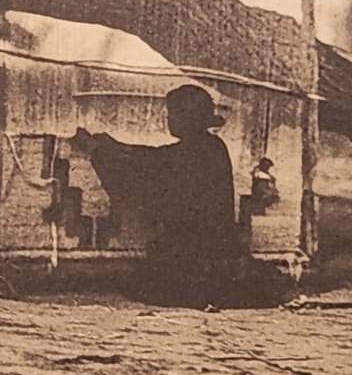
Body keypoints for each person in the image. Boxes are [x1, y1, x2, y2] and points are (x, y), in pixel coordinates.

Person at [70, 85, 242, 309]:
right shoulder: (210, 146)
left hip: (200, 251)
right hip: (205, 249)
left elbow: (152, 161)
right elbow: (156, 158)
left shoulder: (202, 150)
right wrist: (111, 145)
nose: (169, 119)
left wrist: (101, 149)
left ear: (188, 117)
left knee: (149, 285)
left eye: (174, 114)